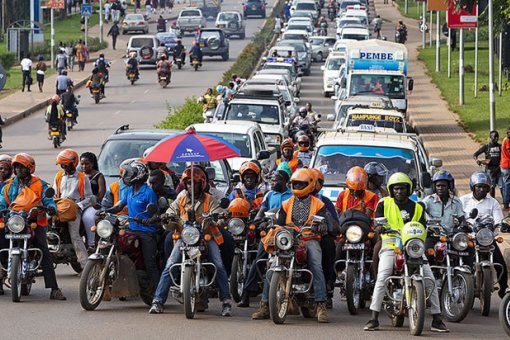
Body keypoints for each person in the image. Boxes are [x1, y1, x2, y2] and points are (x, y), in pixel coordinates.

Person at [364, 172, 448, 333]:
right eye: (396, 188)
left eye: (402, 188)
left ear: (408, 189)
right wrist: (380, 226)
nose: (399, 191)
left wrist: (431, 230)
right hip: (391, 244)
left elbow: (423, 225)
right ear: (391, 189)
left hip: (413, 247)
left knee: (429, 278)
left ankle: (437, 319)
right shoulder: (383, 203)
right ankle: (373, 318)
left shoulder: (418, 206)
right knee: (383, 275)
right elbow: (378, 221)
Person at [149, 166, 233, 316]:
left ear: (201, 184)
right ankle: (158, 301)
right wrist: (167, 218)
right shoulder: (181, 198)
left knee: (218, 264)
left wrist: (218, 218)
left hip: (206, 237)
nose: (190, 186)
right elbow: (171, 212)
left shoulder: (210, 199)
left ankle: (226, 301)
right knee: (170, 264)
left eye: (194, 183)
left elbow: (219, 215)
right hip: (185, 236)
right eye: (188, 183)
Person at [253, 168, 331, 323]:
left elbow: (324, 220)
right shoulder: (286, 203)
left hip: (309, 238)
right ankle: (265, 305)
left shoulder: (319, 204)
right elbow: (280, 222)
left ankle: (321, 304)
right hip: (289, 238)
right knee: (271, 266)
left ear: (310, 184)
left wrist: (322, 226)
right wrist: (267, 223)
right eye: (295, 183)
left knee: (316, 265)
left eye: (301, 184)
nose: (298, 186)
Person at [0, 153, 66, 300]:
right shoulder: (8, 185)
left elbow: (49, 200)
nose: (18, 170)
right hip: (13, 222)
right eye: (16, 167)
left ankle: (54, 289)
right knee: (1, 243)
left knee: (44, 250)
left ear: (30, 168)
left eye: (21, 167)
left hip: (34, 222)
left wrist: (50, 208)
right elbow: (2, 202)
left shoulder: (40, 184)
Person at [238, 164, 293, 308]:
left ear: (285, 180)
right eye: (273, 180)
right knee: (259, 258)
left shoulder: (292, 195)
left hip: (287, 234)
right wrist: (258, 222)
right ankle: (246, 294)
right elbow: (261, 213)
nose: (273, 183)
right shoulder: (269, 195)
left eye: (277, 180)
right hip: (270, 232)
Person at [106, 160, 161, 292]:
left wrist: (148, 220)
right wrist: (105, 211)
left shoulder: (148, 192)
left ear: (139, 174)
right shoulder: (130, 190)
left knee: (150, 264)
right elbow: (119, 206)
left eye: (129, 173)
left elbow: (156, 214)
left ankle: (158, 293)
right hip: (131, 229)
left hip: (146, 232)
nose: (126, 175)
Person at [460, 171, 508, 297]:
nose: (481, 189)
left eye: (484, 187)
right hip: (469, 237)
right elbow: (458, 217)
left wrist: (500, 224)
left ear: (488, 189)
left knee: (500, 262)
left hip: (487, 237)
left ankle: (504, 289)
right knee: (464, 262)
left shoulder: (493, 202)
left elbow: (498, 219)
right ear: (473, 187)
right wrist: (462, 224)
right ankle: (461, 286)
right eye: (478, 186)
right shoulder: (463, 200)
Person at [53, 149, 92, 269]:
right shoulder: (59, 176)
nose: (64, 167)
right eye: (62, 165)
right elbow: (54, 194)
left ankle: (85, 267)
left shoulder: (82, 178)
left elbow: (89, 197)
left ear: (73, 163)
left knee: (75, 236)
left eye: (66, 164)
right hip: (59, 206)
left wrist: (78, 206)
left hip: (74, 208)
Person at [310, 168, 340, 309]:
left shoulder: (325, 201)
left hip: (319, 236)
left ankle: (327, 290)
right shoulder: (292, 199)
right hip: (299, 236)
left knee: (329, 247)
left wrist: (325, 224)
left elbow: (335, 225)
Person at [80, 152, 106, 250]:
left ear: (92, 163)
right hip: (80, 203)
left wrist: (92, 201)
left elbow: (101, 194)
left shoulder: (98, 176)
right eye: (82, 164)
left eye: (86, 164)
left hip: (94, 205)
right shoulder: (79, 175)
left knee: (88, 217)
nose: (84, 166)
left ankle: (91, 243)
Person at [473, 130, 502, 199]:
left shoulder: (500, 146)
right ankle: (493, 200)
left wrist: (499, 167)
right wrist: (477, 161)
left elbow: (504, 157)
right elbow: (475, 154)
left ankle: (505, 202)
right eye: (494, 137)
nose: (496, 139)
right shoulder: (487, 147)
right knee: (492, 187)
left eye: (497, 137)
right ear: (490, 137)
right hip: (490, 169)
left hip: (499, 168)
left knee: (502, 187)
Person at [499, 127, 510, 210]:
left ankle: (506, 203)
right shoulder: (507, 141)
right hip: (507, 165)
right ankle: (506, 204)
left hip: (504, 165)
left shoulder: (505, 140)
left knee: (505, 184)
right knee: (507, 185)